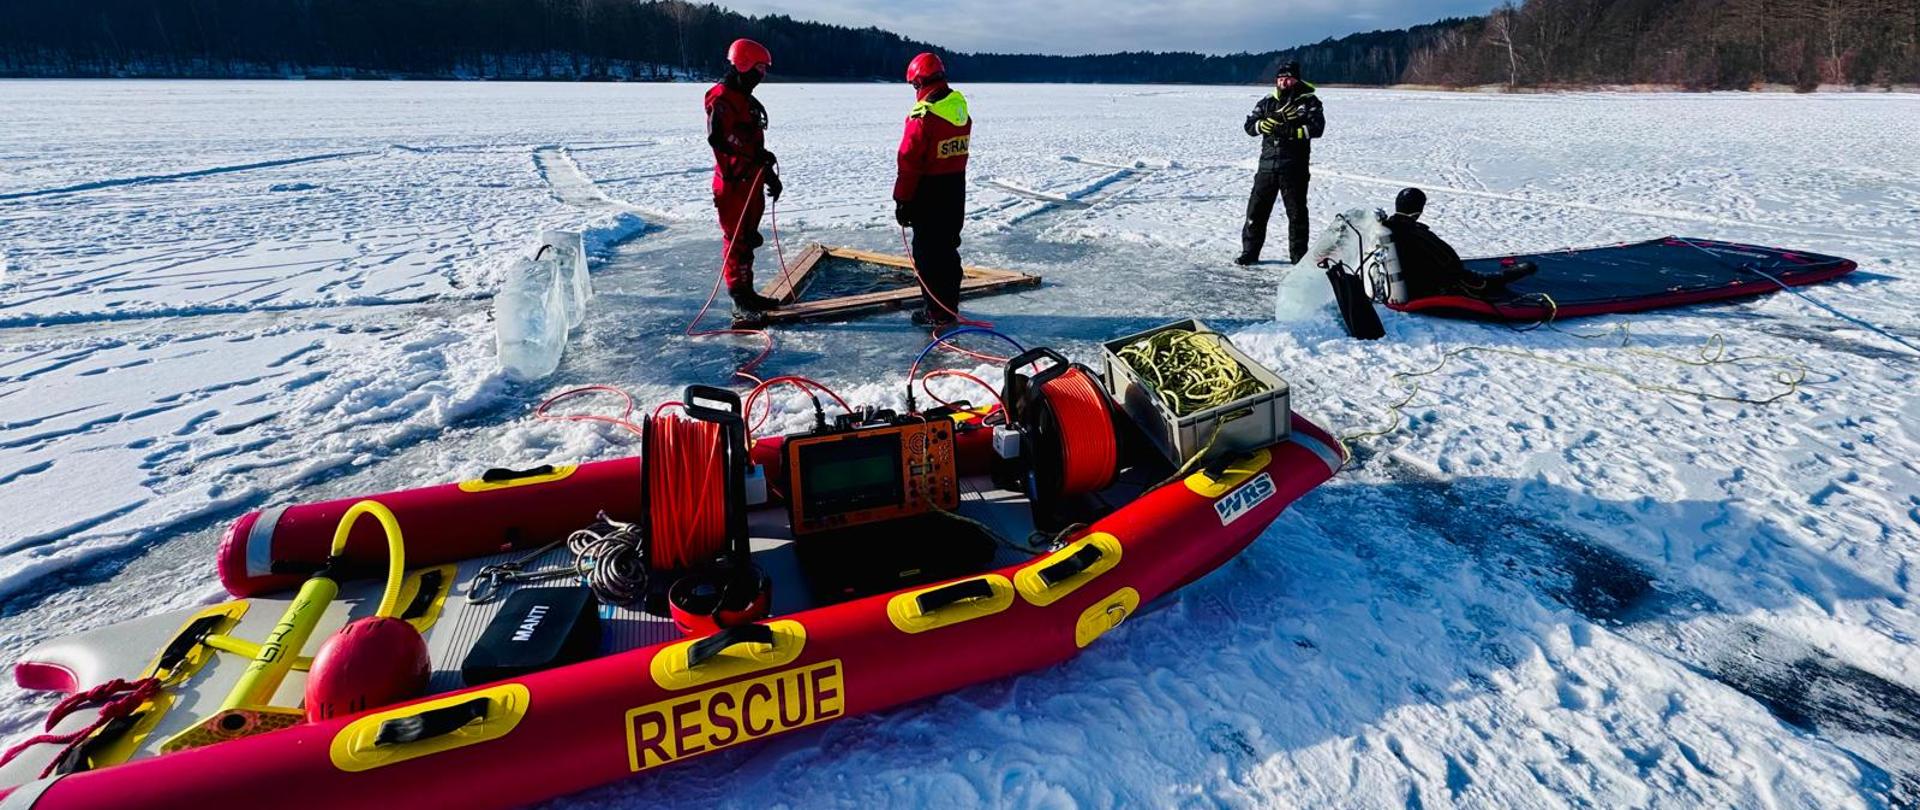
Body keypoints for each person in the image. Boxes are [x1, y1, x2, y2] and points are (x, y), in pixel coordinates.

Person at [892, 52, 972, 328]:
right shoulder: (959, 108)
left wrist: (902, 198)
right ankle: (948, 307)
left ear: (919, 82)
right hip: (954, 188)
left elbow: (909, 160)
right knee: (948, 250)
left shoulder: (923, 115)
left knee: (927, 255)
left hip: (929, 190)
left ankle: (936, 313)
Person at [705, 38, 784, 317]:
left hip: (750, 181)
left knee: (748, 238)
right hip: (732, 182)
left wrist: (768, 175)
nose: (762, 76)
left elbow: (752, 143)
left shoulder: (744, 98)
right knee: (737, 239)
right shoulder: (722, 98)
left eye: (764, 70)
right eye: (759, 69)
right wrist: (754, 157)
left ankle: (748, 291)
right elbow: (720, 138)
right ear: (744, 64)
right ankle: (739, 296)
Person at [1237, 60, 1325, 266]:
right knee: (1256, 212)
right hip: (1266, 167)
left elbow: (1317, 129)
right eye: (1281, 78)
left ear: (1296, 79)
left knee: (1296, 215)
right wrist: (1265, 124)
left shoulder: (1310, 102)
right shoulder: (1267, 102)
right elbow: (1249, 126)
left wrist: (1289, 130)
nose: (1284, 82)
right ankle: (1249, 252)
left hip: (1294, 168)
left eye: (1289, 78)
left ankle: (1298, 257)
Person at [1382, 187, 1533, 300]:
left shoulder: (1389, 227)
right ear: (1420, 209)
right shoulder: (1414, 234)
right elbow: (1450, 265)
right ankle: (1503, 276)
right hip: (1432, 286)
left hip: (1410, 281)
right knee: (1483, 282)